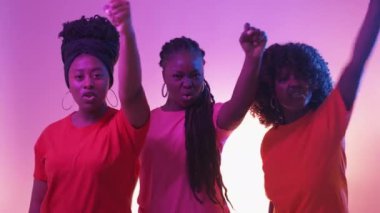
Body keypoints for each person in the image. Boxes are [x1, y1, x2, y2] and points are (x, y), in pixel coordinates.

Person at [249, 0, 380, 212]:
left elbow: (356, 63)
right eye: (283, 78)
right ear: (270, 89)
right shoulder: (269, 142)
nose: (295, 82)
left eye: (301, 75)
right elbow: (277, 202)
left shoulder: (328, 121)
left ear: (314, 80)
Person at [28, 0, 149, 212]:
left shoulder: (124, 128)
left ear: (109, 78)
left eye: (96, 75)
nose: (87, 83)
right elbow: (37, 203)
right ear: (69, 81)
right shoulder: (49, 136)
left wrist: (126, 31)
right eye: (79, 76)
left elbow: (132, 94)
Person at [136, 19, 267, 211]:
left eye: (195, 75)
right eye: (178, 76)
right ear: (164, 74)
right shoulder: (146, 122)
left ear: (203, 69)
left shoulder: (211, 117)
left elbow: (240, 104)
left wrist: (253, 58)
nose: (187, 83)